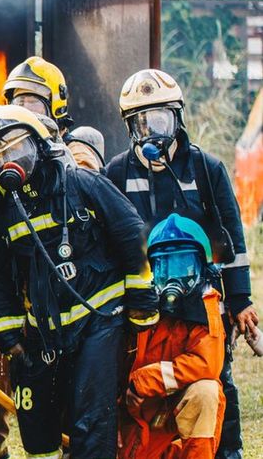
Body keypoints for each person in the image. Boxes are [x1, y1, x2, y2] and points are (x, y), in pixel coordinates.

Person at [0, 105, 159, 458]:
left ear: (40, 145)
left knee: (90, 420)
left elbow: (131, 233)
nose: (10, 162)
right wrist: (8, 332)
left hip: (99, 320)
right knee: (38, 425)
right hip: (45, 331)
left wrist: (141, 302)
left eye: (17, 149)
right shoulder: (6, 211)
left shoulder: (82, 183)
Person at [106, 68, 256, 459]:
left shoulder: (205, 169)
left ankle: (228, 451)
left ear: (178, 119)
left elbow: (232, 239)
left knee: (217, 375)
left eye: (161, 118)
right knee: (128, 379)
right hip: (140, 300)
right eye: (141, 122)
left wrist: (239, 300)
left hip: (200, 298)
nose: (152, 130)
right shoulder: (116, 173)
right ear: (129, 127)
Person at [120, 213, 226, 459]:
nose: (173, 279)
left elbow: (207, 364)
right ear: (151, 270)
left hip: (168, 422)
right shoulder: (136, 307)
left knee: (206, 392)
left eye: (184, 266)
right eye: (164, 266)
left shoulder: (205, 307)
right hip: (129, 420)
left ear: (202, 268)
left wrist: (144, 381)